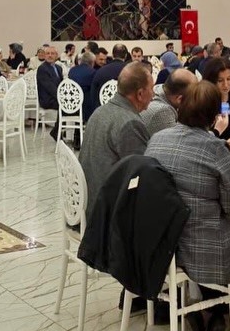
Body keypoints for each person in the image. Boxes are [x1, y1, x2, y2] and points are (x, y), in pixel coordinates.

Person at [145, 81, 230, 331]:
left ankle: (207, 307)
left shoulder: (158, 139)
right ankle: (214, 309)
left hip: (160, 238)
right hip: (200, 242)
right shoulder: (214, 147)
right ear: (214, 115)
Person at [79, 61, 152, 221]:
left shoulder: (100, 111)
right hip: (106, 211)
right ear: (140, 94)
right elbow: (142, 175)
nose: (153, 95)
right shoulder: (129, 123)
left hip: (87, 200)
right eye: (151, 89)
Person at [140, 68, 197, 135]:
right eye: (194, 96)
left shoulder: (158, 89)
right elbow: (176, 139)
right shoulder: (162, 112)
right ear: (180, 99)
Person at [87, 44, 129, 120]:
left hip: (103, 113)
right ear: (126, 55)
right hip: (126, 113)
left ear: (112, 55)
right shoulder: (131, 71)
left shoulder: (100, 71)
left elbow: (93, 94)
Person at [36, 45, 64, 139]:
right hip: (47, 99)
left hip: (56, 97)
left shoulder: (58, 68)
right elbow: (50, 88)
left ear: (56, 56)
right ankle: (56, 131)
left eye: (52, 53)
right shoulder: (42, 69)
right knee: (65, 105)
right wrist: (63, 98)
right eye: (48, 53)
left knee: (71, 105)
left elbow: (61, 85)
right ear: (44, 55)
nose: (50, 55)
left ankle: (60, 130)